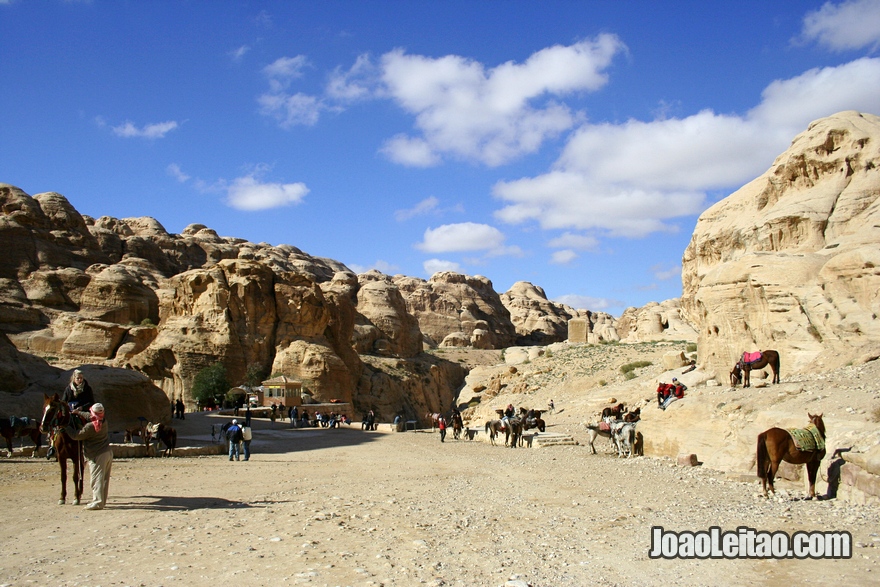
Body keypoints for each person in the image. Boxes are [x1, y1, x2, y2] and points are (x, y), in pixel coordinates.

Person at [65, 403, 112, 510]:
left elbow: (76, 435)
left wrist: (66, 427)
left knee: (96, 480)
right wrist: (79, 413)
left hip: (97, 454)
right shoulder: (103, 421)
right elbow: (90, 416)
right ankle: (101, 501)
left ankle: (98, 502)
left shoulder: (90, 427)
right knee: (104, 479)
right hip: (107, 452)